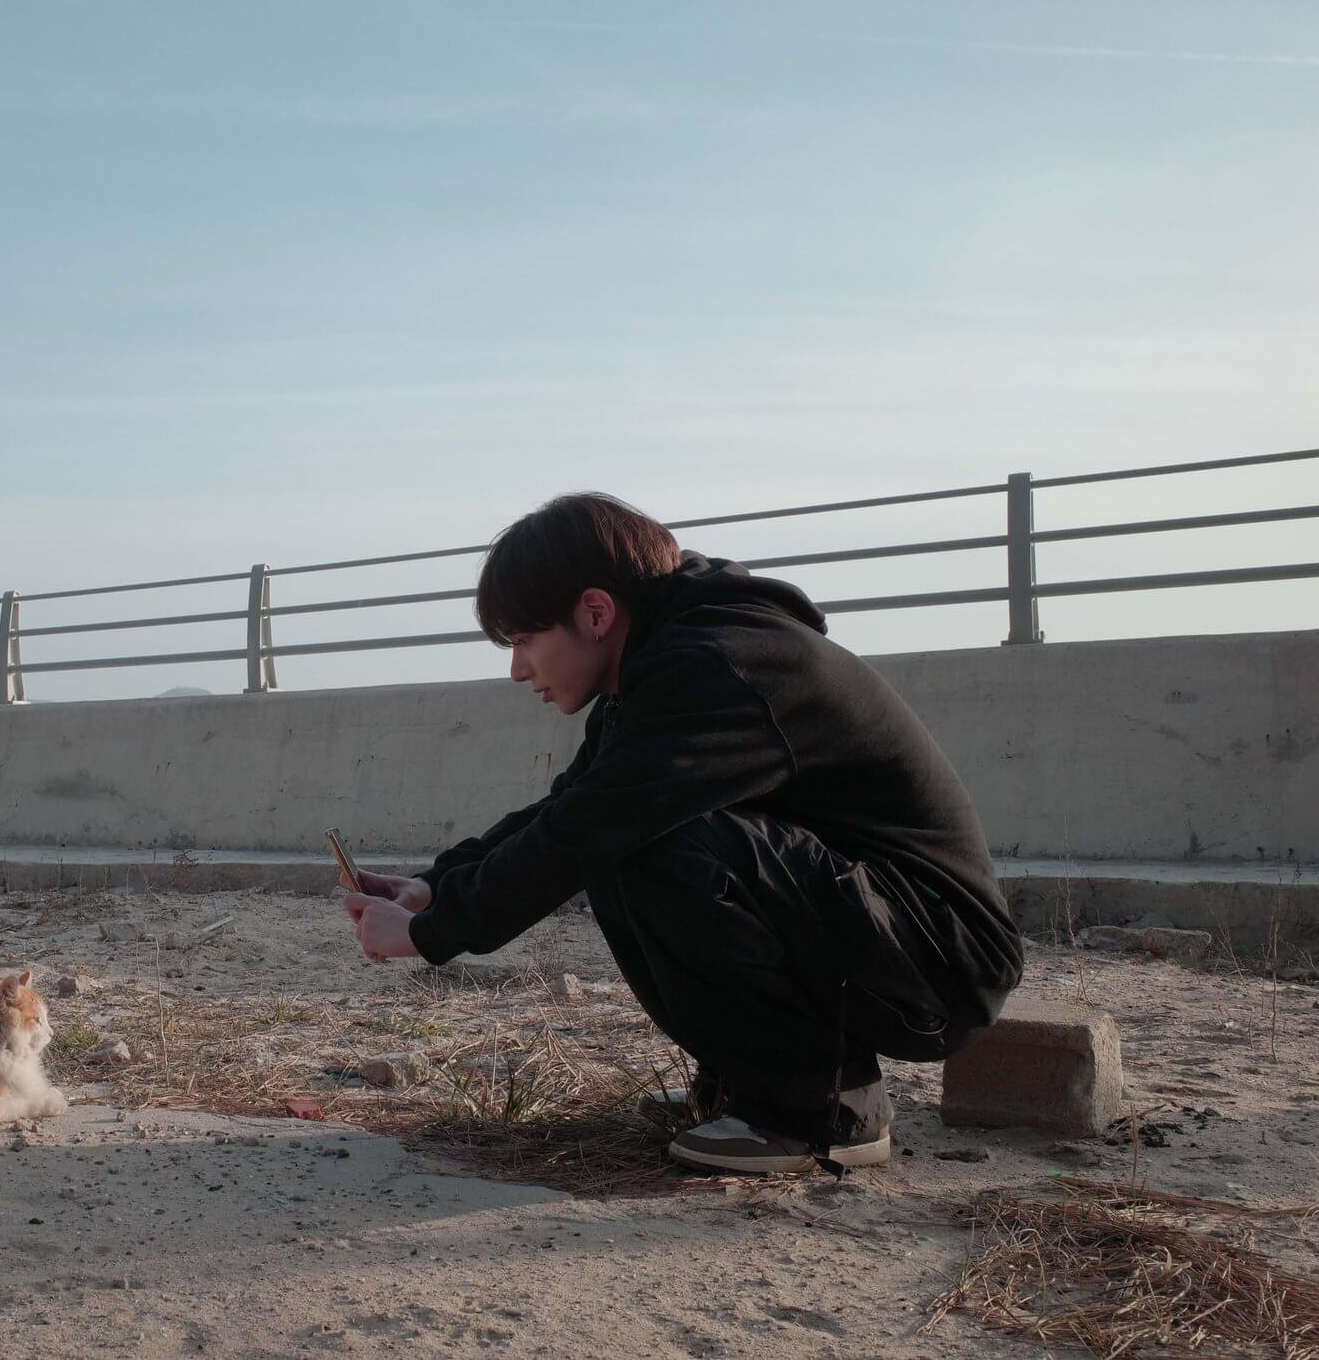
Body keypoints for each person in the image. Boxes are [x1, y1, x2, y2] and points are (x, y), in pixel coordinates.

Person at [342, 493, 1023, 1174]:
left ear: (596, 612)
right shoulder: (662, 663)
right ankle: (753, 1085)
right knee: (622, 829)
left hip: (942, 957)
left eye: (524, 641)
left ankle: (821, 1108)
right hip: (885, 932)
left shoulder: (718, 666)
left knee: (643, 838)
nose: (519, 670)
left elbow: (588, 826)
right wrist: (436, 887)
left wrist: (432, 934)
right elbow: (570, 806)